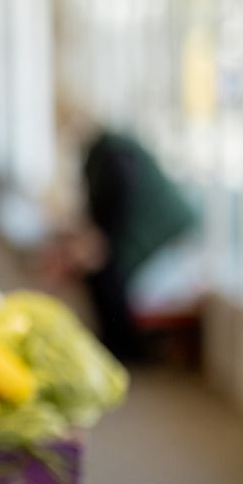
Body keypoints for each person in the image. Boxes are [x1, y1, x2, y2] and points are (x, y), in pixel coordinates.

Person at [50, 102, 198, 361]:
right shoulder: (94, 156)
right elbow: (97, 208)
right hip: (128, 229)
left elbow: (120, 204)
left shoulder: (113, 151)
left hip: (159, 228)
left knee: (107, 269)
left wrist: (97, 242)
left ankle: (126, 348)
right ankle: (114, 341)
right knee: (96, 267)